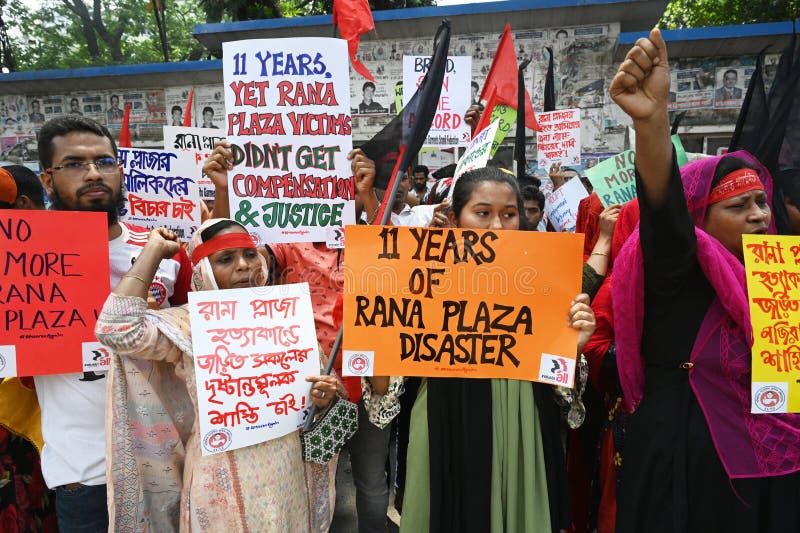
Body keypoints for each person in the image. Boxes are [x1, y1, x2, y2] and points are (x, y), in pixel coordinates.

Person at [610, 28, 800, 532]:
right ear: (700, 219)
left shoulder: (781, 277)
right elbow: (664, 212)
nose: (759, 215)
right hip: (691, 466)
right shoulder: (680, 267)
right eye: (738, 206)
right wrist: (651, 124)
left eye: (762, 202)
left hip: (775, 464)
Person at [365, 166, 595, 533]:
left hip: (523, 423)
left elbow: (565, 397)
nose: (497, 228)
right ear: (455, 219)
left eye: (509, 215)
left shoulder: (547, 280)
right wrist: (377, 338)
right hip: (445, 420)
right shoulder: (419, 277)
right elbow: (384, 398)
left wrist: (574, 348)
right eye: (483, 213)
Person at [94, 220, 341, 531]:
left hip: (287, 474)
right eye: (225, 259)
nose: (242, 266)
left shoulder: (285, 315)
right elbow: (115, 328)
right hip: (220, 482)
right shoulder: (188, 322)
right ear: (203, 270)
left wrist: (326, 395)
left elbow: (324, 390)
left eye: (250, 255)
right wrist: (154, 250)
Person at [35, 115, 193, 532]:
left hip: (165, 464)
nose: (92, 173)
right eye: (74, 164)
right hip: (84, 473)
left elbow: (193, 340)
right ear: (47, 179)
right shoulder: (19, 258)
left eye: (104, 162)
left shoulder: (163, 251)